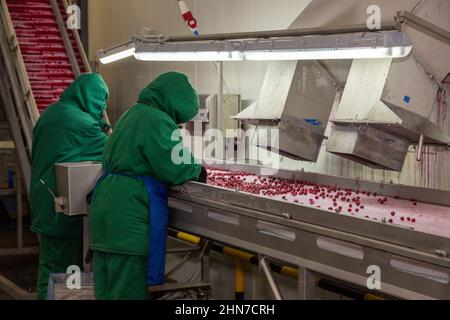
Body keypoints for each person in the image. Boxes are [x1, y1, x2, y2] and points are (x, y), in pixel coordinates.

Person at [88, 71, 207, 300]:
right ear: (175, 103)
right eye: (180, 118)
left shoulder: (131, 114)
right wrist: (198, 170)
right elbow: (174, 165)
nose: (180, 123)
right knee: (128, 291)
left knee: (106, 291)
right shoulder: (156, 120)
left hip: (106, 212)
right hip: (129, 215)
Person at [30, 73, 110, 300]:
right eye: (102, 99)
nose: (103, 106)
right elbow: (113, 151)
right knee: (68, 271)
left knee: (50, 266)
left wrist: (100, 123)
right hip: (64, 211)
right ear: (91, 96)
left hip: (45, 200)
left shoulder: (52, 113)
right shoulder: (81, 123)